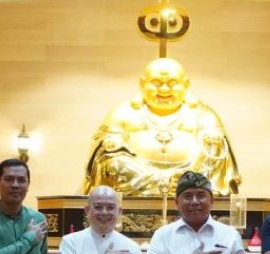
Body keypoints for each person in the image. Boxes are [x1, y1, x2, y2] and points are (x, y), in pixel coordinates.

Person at [83, 57, 241, 196]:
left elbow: (216, 153)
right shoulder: (122, 113)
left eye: (172, 83)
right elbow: (104, 147)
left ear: (185, 84)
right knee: (110, 160)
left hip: (189, 174)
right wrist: (112, 142)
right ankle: (174, 184)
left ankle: (184, 184)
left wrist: (212, 143)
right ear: (142, 83)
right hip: (137, 176)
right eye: (156, 83)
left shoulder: (204, 114)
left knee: (216, 151)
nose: (164, 89)